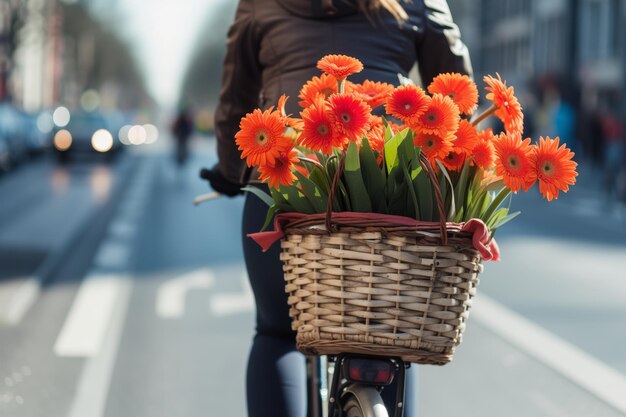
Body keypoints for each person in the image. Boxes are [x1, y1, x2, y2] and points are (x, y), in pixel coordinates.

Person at [201, 1, 472, 416]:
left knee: (277, 333)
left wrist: (230, 167)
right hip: (390, 189)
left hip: (284, 173)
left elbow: (235, 99)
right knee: (389, 335)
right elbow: (456, 99)